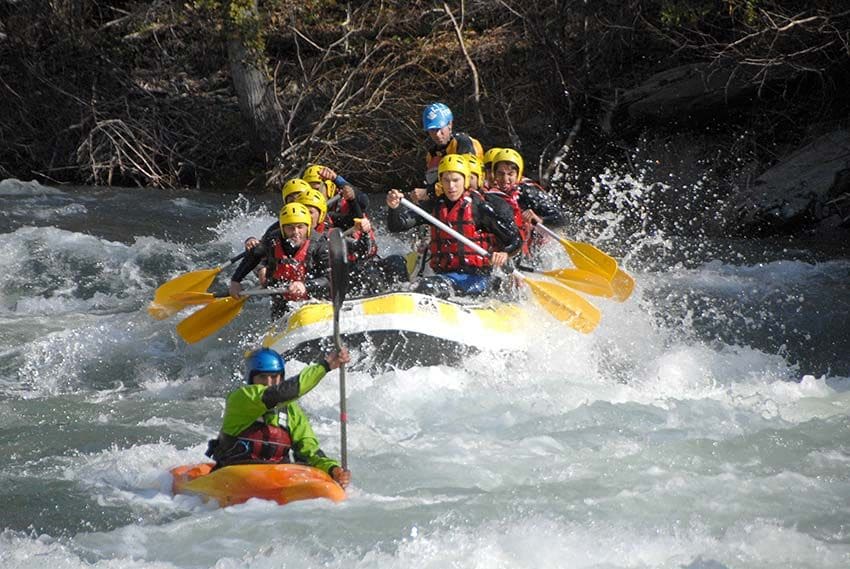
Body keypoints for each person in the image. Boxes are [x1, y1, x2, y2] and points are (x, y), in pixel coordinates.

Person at [207, 347, 352, 489]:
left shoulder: (292, 411)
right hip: (234, 475)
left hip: (276, 478)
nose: (269, 382)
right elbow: (280, 394)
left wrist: (333, 469)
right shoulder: (241, 398)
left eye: (275, 377)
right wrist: (325, 366)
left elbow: (310, 452)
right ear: (251, 378)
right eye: (262, 377)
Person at [386, 154, 521, 298]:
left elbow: (515, 239)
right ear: (440, 182)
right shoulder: (434, 206)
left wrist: (504, 253)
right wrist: (393, 208)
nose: (451, 186)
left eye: (456, 180)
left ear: (465, 180)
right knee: (401, 275)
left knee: (428, 286)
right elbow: (397, 225)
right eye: (446, 180)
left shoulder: (480, 208)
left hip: (477, 279)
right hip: (445, 276)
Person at [229, 202, 330, 319]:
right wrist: (236, 281)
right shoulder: (273, 239)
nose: (296, 232)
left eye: (300, 227)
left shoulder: (321, 244)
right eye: (290, 228)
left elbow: (329, 278)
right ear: (282, 229)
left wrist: (305, 286)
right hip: (283, 297)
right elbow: (254, 255)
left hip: (316, 300)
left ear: (308, 227)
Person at [487, 148, 568, 263]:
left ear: (518, 175)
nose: (505, 179)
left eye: (510, 174)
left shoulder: (529, 192)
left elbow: (562, 219)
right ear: (494, 174)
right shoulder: (491, 196)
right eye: (501, 174)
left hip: (540, 247)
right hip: (515, 247)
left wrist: (540, 219)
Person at [422, 102, 483, 186]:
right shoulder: (432, 153)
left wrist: (431, 192)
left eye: (439, 129)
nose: (437, 134)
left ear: (450, 124)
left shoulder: (462, 142)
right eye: (432, 130)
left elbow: (471, 180)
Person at [302, 164, 370, 231]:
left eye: (316, 190)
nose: (311, 195)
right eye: (309, 191)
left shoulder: (344, 201)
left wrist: (337, 179)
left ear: (330, 189)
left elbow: (364, 202)